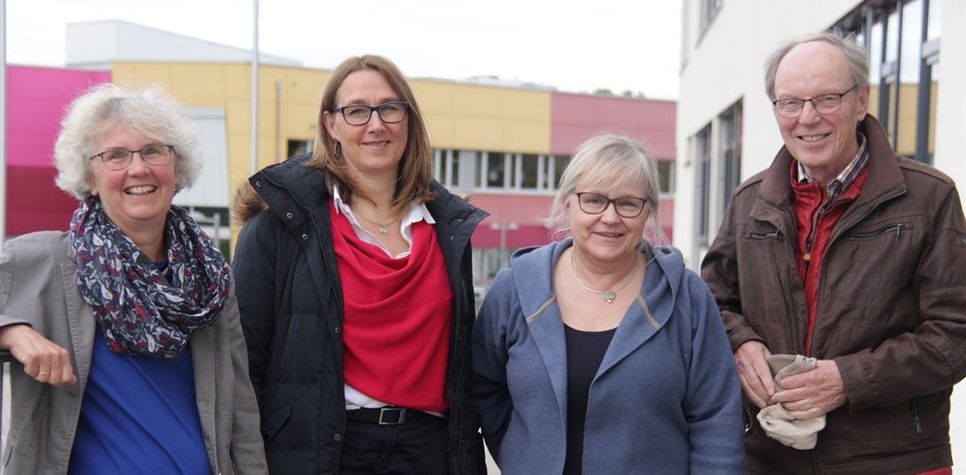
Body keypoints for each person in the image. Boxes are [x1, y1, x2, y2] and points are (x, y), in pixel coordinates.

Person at [701, 30, 966, 475]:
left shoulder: (929, 197)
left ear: (861, 101)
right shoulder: (749, 202)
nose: (807, 118)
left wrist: (847, 380)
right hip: (770, 458)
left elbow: (956, 335)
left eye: (827, 98)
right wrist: (739, 342)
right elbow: (710, 302)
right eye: (790, 102)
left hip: (894, 460)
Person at [231, 54, 487, 474]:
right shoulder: (279, 226)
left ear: (408, 120)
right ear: (330, 124)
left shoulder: (448, 228)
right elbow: (244, 364)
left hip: (430, 452)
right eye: (356, 111)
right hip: (328, 450)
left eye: (390, 108)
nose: (375, 124)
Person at [0, 84, 267, 474]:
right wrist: (12, 332)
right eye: (116, 156)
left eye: (153, 151)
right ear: (90, 177)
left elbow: (241, 412)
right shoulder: (45, 261)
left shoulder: (209, 279)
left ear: (176, 170)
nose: (138, 168)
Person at [472, 134, 744, 474]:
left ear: (648, 212)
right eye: (594, 200)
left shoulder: (687, 298)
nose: (610, 217)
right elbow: (483, 389)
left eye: (628, 203)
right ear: (568, 202)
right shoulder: (516, 287)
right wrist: (521, 457)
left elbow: (716, 419)